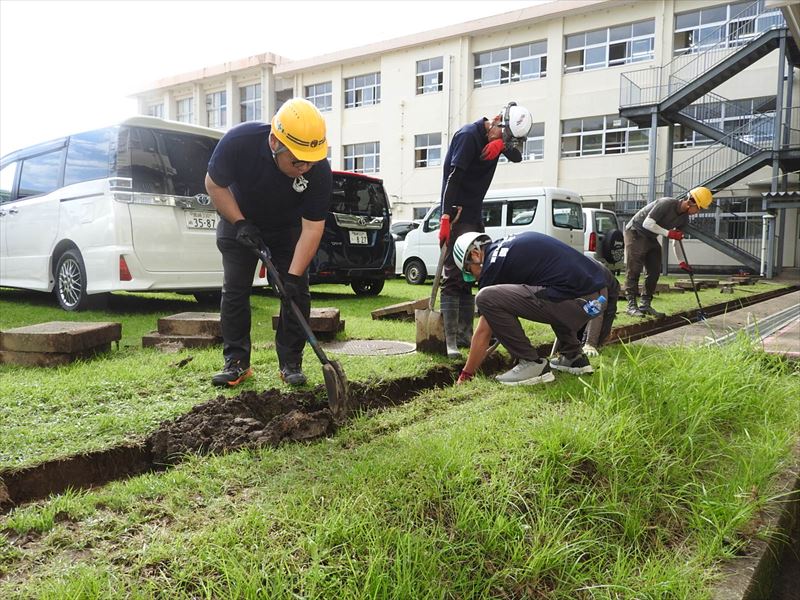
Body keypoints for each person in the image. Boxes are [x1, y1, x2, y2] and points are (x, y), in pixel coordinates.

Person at [205, 98, 332, 388]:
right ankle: (236, 362)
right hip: (238, 218)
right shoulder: (240, 142)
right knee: (235, 290)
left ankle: (290, 363)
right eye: (297, 160)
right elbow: (214, 185)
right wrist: (240, 223)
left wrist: (292, 276)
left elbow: (312, 228)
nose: (305, 168)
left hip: (287, 228)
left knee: (297, 292)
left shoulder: (318, 170)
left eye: (310, 161)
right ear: (275, 143)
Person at [452, 231, 614, 386]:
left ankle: (531, 364)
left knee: (485, 298)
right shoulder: (507, 247)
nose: (473, 278)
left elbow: (483, 332)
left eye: (469, 271)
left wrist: (466, 374)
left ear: (475, 254)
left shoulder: (491, 267)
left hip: (580, 302)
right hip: (598, 297)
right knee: (547, 290)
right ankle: (573, 357)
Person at [437, 102, 533, 358]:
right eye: (505, 136)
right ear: (497, 121)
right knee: (454, 273)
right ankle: (450, 339)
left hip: (474, 213)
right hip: (457, 213)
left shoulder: (499, 138)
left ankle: (466, 335)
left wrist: (502, 145)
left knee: (471, 272)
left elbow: (518, 155)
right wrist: (445, 216)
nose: (507, 143)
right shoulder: (469, 136)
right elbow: (453, 177)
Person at [623, 186, 714, 318]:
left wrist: (681, 262)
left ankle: (645, 304)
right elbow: (647, 223)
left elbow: (676, 240)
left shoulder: (684, 219)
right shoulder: (666, 203)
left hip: (651, 236)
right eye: (699, 208)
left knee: (654, 269)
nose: (698, 212)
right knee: (634, 269)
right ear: (691, 202)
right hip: (635, 231)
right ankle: (631, 305)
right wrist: (668, 233)